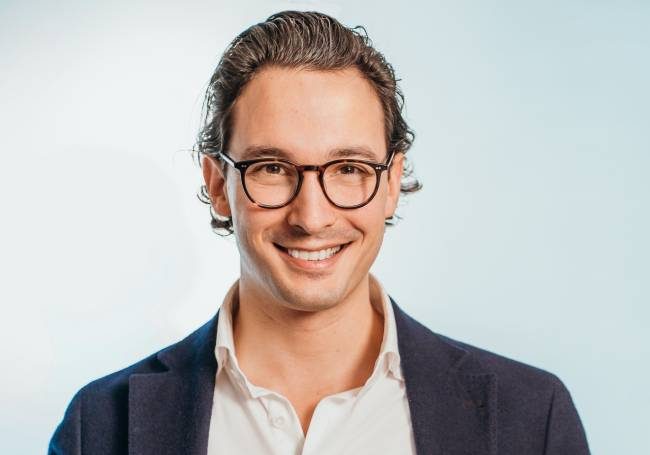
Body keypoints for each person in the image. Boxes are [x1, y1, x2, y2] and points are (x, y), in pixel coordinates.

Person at [49, 10, 590, 455]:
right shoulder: (97, 426)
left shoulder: (532, 419)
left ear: (392, 183)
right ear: (218, 185)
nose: (311, 217)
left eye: (349, 168)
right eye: (272, 167)